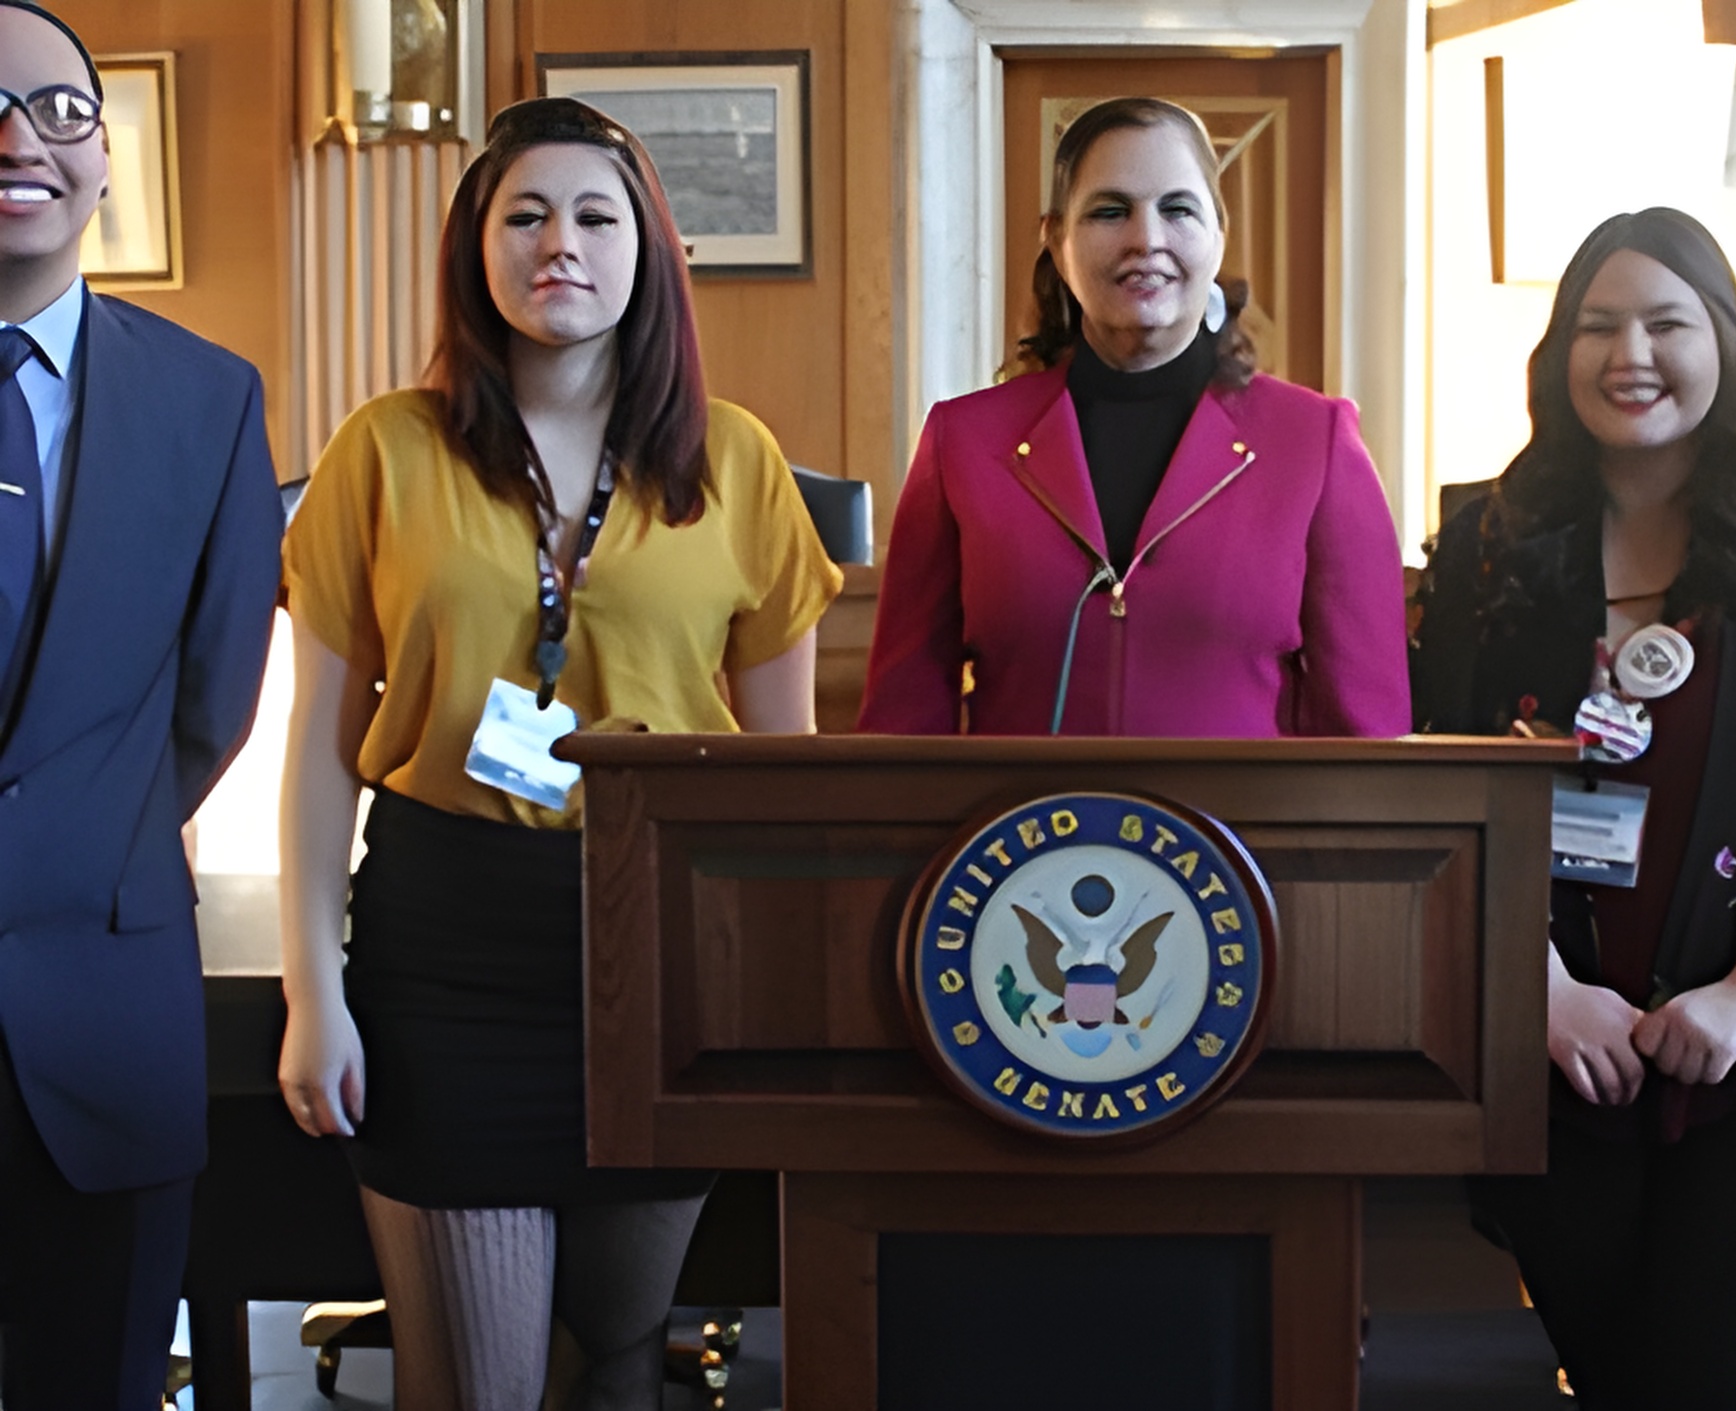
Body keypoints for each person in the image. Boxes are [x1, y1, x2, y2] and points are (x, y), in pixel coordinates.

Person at [277, 97, 839, 1410]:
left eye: (596, 214)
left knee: (623, 1362)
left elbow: (785, 766)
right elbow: (317, 747)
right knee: (479, 1382)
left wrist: (777, 988)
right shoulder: (385, 449)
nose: (558, 243)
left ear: (652, 248)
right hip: (450, 943)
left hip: (668, 950)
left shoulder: (734, 459)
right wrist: (313, 984)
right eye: (522, 214)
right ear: (475, 246)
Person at [1409, 208, 1736, 1409]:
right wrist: (1541, 993)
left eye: (1667, 321)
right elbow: (1429, 782)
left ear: (1728, 342)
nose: (1629, 354)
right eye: (1596, 326)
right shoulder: (1489, 548)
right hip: (1553, 1056)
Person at [0, 4, 283, 1405]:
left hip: (106, 1009)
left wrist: (69, 845)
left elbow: (211, 702)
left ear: (103, 155)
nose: (18, 139)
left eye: (57, 110)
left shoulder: (208, 399)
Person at [857, 96, 1407, 738]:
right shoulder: (964, 442)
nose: (1146, 239)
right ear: (1057, 242)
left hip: (1241, 839)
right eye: (1110, 211)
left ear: (1217, 236)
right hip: (1024, 835)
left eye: (1178, 210)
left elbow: (1367, 738)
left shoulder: (1316, 442)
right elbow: (900, 726)